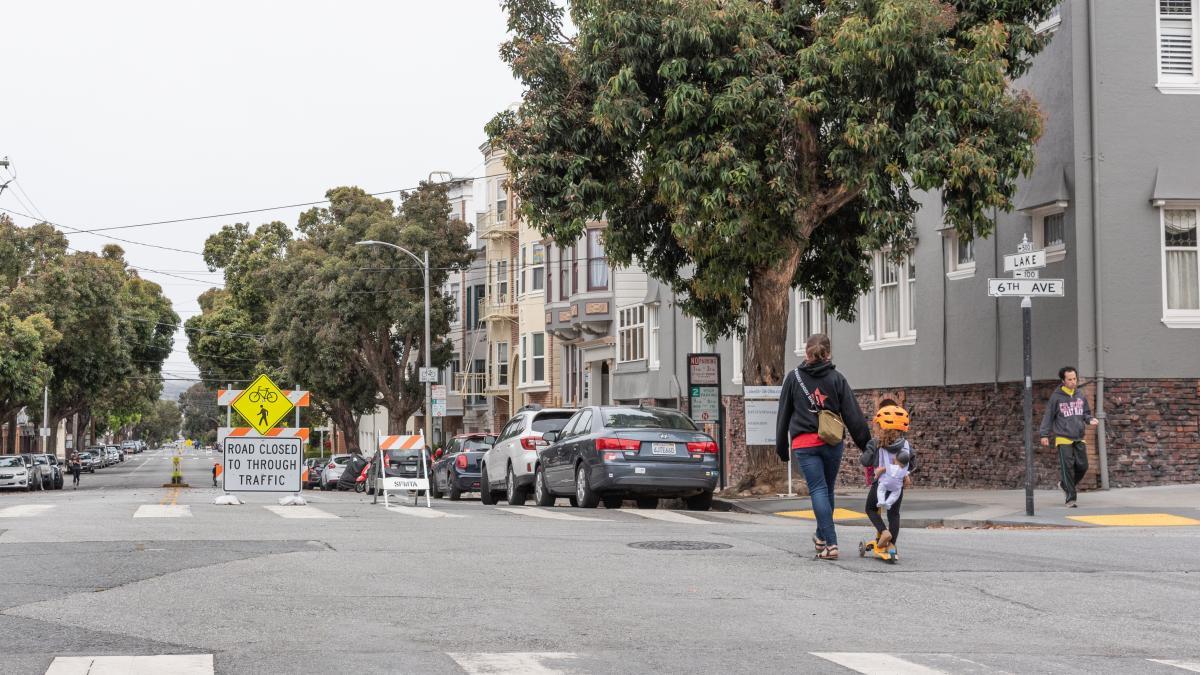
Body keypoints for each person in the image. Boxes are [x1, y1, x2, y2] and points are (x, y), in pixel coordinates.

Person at [775, 333, 871, 561]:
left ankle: (831, 543)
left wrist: (781, 447)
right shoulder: (837, 379)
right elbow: (853, 415)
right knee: (827, 490)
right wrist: (867, 445)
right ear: (828, 353)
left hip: (805, 444)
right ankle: (821, 538)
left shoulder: (793, 378)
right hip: (832, 441)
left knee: (818, 490)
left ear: (806, 353)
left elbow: (783, 414)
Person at [1039, 366, 1099, 507]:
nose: (1073, 382)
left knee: (1083, 466)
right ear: (1063, 380)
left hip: (1078, 436)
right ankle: (1071, 498)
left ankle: (1065, 485)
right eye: (1070, 379)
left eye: (1074, 379)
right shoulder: (1056, 397)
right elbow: (1048, 416)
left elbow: (1085, 413)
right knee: (1067, 466)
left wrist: (1090, 419)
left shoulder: (1080, 394)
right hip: (1063, 437)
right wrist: (1044, 434)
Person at [860, 402, 916, 554]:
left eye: (877, 425)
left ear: (881, 426)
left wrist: (866, 453)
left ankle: (883, 532)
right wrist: (906, 475)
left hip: (881, 483)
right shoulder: (906, 445)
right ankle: (891, 545)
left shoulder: (875, 443)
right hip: (897, 485)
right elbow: (912, 464)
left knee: (870, 508)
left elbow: (865, 461)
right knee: (894, 514)